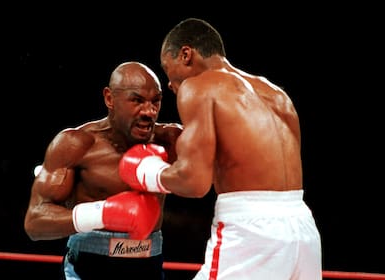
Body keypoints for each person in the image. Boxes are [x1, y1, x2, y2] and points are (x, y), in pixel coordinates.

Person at [118, 18, 322, 279]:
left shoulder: (199, 86)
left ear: (186, 54)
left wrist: (147, 172)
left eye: (167, 69)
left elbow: (194, 182)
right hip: (303, 229)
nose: (169, 84)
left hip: (252, 232)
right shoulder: (275, 93)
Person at [24, 61, 183, 280]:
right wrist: (103, 213)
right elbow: (35, 222)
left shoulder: (171, 141)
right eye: (137, 100)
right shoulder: (76, 144)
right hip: (87, 266)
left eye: (156, 101)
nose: (149, 111)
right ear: (109, 98)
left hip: (148, 265)